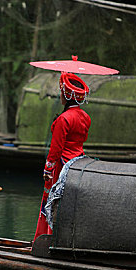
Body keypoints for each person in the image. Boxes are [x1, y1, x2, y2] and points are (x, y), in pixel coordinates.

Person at [33, 72, 91, 242]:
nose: (60, 96)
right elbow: (82, 140)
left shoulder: (64, 119)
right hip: (78, 163)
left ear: (66, 95)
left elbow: (56, 149)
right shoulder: (85, 117)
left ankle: (46, 238)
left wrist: (48, 169)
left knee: (51, 200)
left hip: (61, 165)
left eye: (61, 92)